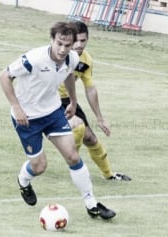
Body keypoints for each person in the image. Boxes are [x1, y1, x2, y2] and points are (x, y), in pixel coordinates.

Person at [0, 21, 116, 220]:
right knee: (39, 166)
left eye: (67, 45)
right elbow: (4, 76)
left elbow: (69, 75)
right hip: (27, 118)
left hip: (53, 113)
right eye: (59, 43)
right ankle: (23, 181)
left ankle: (91, 204)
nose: (63, 49)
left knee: (72, 156)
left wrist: (73, 100)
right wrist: (17, 107)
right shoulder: (33, 59)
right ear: (52, 40)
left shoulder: (72, 58)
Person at [59, 21, 131, 181]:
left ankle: (109, 175)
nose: (79, 45)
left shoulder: (85, 61)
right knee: (77, 126)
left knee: (90, 138)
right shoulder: (59, 55)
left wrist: (100, 118)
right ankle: (75, 167)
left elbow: (90, 88)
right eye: (75, 41)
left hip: (67, 100)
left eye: (83, 41)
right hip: (47, 99)